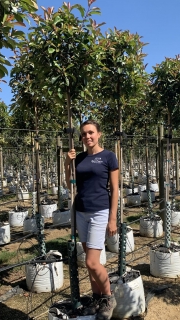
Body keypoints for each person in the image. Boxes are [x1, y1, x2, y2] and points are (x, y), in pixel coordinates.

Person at [64, 119, 118, 320]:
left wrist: (113, 218)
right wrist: (67, 163)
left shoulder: (109, 157)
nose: (87, 137)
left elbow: (115, 189)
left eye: (90, 133)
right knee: (88, 263)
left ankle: (108, 297)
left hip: (99, 211)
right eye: (84, 134)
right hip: (81, 212)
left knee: (92, 261)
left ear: (99, 134)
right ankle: (97, 299)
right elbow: (70, 183)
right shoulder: (79, 158)